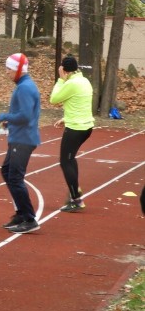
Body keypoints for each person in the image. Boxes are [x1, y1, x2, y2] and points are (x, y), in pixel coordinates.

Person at [0, 53, 41, 233]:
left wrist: (5, 117)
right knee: (7, 172)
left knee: (15, 177)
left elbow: (26, 116)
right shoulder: (23, 86)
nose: (6, 72)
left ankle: (29, 218)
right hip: (19, 138)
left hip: (23, 140)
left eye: (9, 68)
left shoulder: (24, 88)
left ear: (17, 69)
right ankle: (22, 213)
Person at [49, 54, 94, 212]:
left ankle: (76, 199)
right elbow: (79, 104)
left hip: (76, 128)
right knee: (70, 158)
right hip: (86, 126)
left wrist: (61, 79)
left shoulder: (71, 83)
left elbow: (53, 99)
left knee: (65, 161)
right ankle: (76, 190)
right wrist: (65, 118)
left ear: (65, 71)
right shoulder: (84, 80)